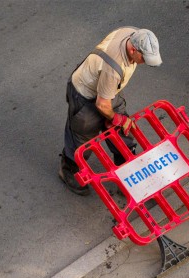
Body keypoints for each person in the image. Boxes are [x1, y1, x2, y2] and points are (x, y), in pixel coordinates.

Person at [59, 27, 162, 195]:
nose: (144, 62)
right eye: (143, 58)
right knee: (82, 139)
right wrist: (117, 119)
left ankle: (128, 173)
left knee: (122, 133)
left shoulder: (132, 33)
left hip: (107, 90)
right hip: (85, 95)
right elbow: (102, 105)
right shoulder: (113, 67)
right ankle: (69, 169)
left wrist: (115, 120)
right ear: (132, 50)